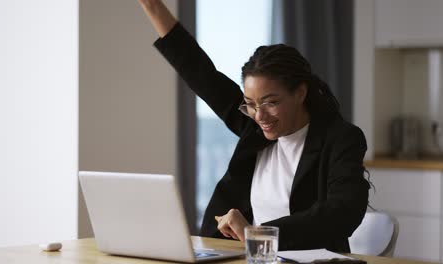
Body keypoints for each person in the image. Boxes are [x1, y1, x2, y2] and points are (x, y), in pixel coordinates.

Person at [138, 0, 369, 252]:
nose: (260, 116)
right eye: (250, 103)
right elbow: (199, 72)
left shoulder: (341, 139)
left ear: (300, 92)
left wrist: (258, 234)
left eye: (271, 102)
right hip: (246, 257)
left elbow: (343, 211)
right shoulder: (254, 127)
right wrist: (152, 6)